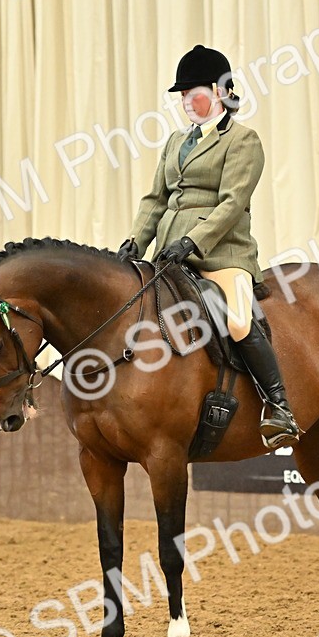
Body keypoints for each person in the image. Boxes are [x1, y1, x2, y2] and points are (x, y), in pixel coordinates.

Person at [116, 44, 301, 449]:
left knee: (237, 320)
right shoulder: (174, 143)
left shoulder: (243, 140)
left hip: (222, 255)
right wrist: (136, 240)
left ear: (219, 92)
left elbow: (232, 204)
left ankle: (279, 406)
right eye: (181, 96)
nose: (185, 102)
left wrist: (192, 241)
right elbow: (156, 199)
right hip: (169, 254)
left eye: (191, 93)